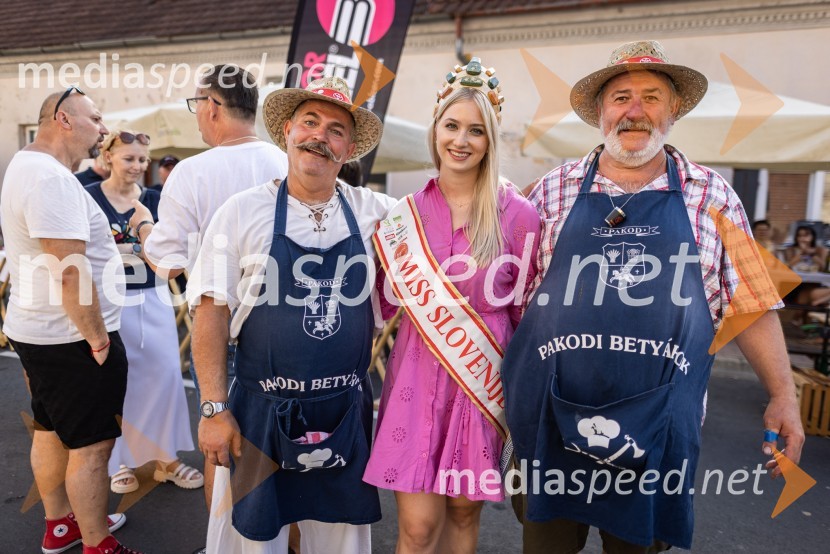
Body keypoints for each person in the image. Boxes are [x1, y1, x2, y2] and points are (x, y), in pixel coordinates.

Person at [501, 40, 804, 553]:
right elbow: (510, 301)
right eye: (620, 97)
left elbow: (750, 302)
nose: (635, 111)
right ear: (601, 112)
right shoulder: (549, 190)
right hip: (552, 418)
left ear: (673, 109)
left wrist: (784, 395)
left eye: (651, 96)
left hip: (658, 424)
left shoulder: (714, 195)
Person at [187, 75, 395, 553]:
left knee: (340, 541)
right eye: (310, 122)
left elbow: (450, 217)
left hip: (344, 412)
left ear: (348, 150)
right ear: (287, 132)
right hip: (259, 412)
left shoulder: (381, 213)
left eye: (336, 130)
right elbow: (210, 312)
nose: (320, 136)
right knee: (252, 541)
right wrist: (214, 409)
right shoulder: (241, 212)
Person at [362, 59, 540, 553]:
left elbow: (525, 311)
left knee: (463, 517)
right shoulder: (404, 216)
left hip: (481, 378)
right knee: (418, 528)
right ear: (436, 130)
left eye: (476, 131)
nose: (462, 140)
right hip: (417, 377)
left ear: (491, 141)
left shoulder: (520, 217)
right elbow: (381, 299)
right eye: (452, 126)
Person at [129, 64, 288, 517]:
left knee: (221, 446)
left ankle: (223, 544)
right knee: (288, 450)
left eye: (196, 105)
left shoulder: (192, 172)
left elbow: (166, 261)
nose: (196, 116)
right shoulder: (289, 161)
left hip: (221, 332)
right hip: (288, 328)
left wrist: (142, 227)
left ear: (213, 107)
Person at [0, 88, 141, 553]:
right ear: (63, 119)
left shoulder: (26, 165)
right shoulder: (50, 179)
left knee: (51, 428)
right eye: (96, 118)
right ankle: (99, 543)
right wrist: (98, 338)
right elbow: (70, 270)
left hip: (39, 329)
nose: (103, 128)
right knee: (93, 445)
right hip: (71, 337)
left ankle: (62, 525)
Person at [84, 130, 202, 495]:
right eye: (128, 158)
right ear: (108, 159)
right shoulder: (88, 198)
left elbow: (171, 253)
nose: (136, 166)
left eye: (141, 159)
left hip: (153, 297)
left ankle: (166, 458)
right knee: (119, 381)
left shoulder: (156, 199)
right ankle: (119, 460)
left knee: (165, 376)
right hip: (109, 301)